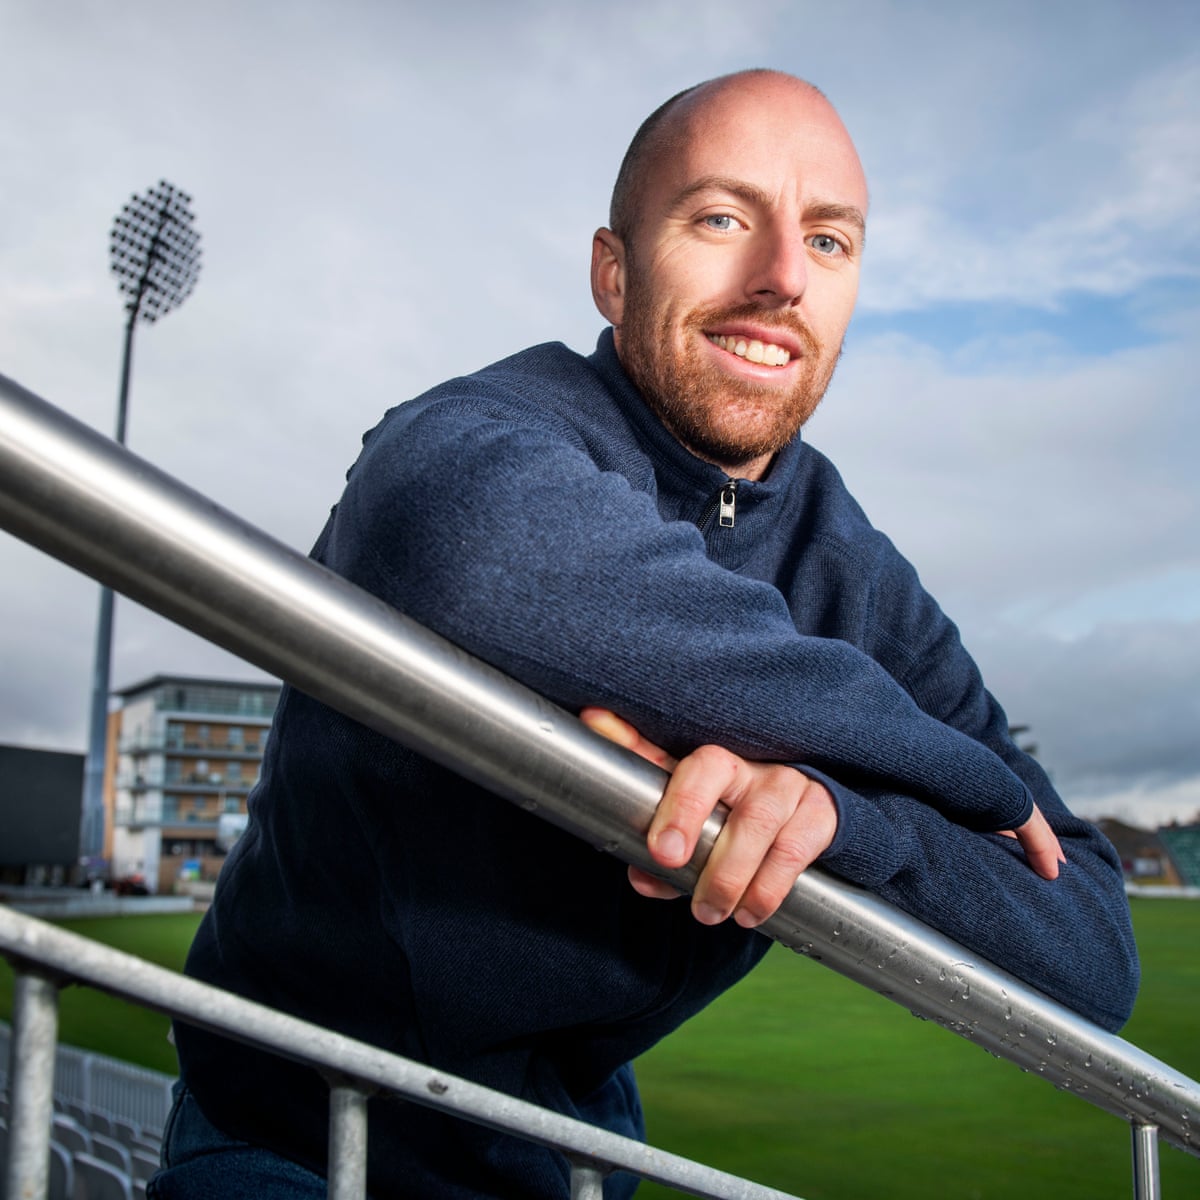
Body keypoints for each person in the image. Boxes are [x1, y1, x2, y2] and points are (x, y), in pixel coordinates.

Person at [151, 70, 1139, 1199]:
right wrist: (947, 772)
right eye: (721, 219)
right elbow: (465, 544)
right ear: (613, 273)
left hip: (570, 1158)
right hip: (297, 1133)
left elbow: (1092, 944)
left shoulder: (850, 569)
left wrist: (837, 812)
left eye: (828, 241)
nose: (779, 278)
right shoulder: (484, 436)